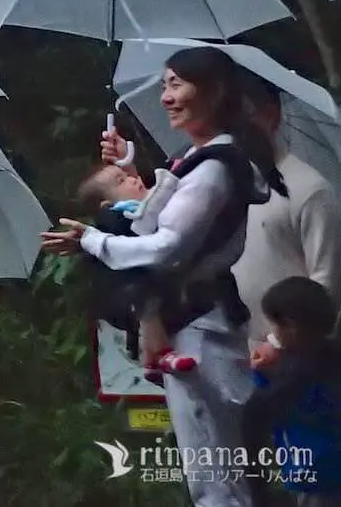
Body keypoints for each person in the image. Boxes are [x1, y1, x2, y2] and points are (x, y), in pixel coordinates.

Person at [43, 46, 283, 507]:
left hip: (197, 326)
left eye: (177, 84)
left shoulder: (214, 169)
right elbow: (164, 215)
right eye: (165, 85)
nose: (166, 97)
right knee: (221, 467)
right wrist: (130, 169)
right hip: (196, 323)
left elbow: (168, 245)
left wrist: (93, 241)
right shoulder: (207, 160)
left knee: (214, 476)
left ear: (213, 93)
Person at [233, 75, 341, 351]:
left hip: (291, 359)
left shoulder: (309, 188)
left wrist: (275, 344)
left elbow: (326, 285)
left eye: (241, 112)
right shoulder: (221, 185)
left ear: (271, 114)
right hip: (232, 352)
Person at [75, 160, 197, 379]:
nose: (133, 179)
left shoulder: (135, 211)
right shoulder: (114, 219)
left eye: (128, 175)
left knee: (150, 305)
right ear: (106, 204)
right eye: (121, 181)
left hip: (144, 288)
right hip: (130, 290)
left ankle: (150, 359)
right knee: (148, 307)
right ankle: (161, 353)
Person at [242, 277, 341, 507]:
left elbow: (255, 416)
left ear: (290, 326)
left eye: (275, 325)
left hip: (315, 480)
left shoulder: (288, 377)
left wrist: (260, 493)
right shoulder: (332, 358)